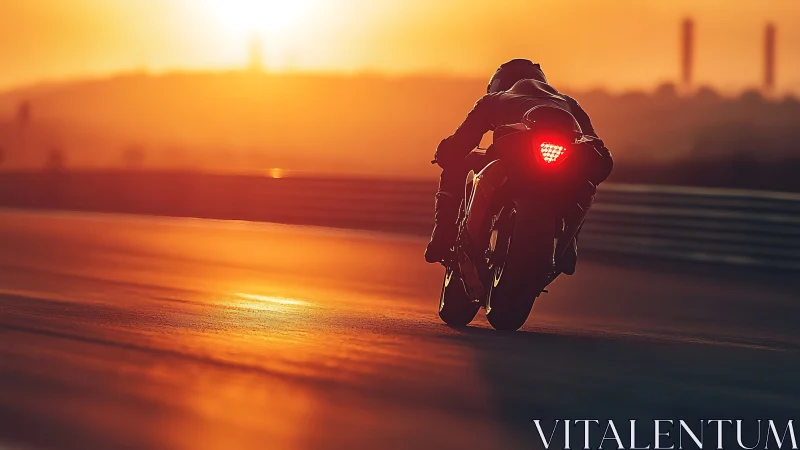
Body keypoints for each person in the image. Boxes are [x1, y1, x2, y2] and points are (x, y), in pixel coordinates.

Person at [424, 59, 613, 274]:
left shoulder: (494, 99)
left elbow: (460, 143)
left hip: (516, 159)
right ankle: (570, 244)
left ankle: (443, 234)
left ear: (499, 83)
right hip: (561, 163)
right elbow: (598, 149)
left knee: (456, 164)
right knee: (587, 178)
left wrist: (443, 153)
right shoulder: (568, 102)